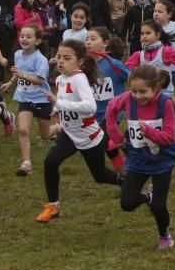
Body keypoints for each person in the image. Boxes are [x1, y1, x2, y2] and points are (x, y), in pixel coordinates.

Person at [34, 40, 123, 223]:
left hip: (88, 136)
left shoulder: (79, 79)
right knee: (51, 161)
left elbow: (89, 107)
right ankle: (54, 206)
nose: (60, 61)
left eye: (67, 58)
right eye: (59, 57)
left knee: (100, 176)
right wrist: (57, 111)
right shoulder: (60, 79)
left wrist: (59, 103)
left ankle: (128, 182)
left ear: (80, 61)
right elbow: (65, 99)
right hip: (68, 133)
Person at [105, 65, 175, 249]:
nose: (138, 96)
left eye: (143, 92)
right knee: (127, 203)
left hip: (162, 159)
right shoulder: (128, 99)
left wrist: (149, 132)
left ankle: (164, 235)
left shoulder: (166, 103)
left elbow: (170, 137)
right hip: (138, 158)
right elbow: (111, 109)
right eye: (134, 91)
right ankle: (148, 196)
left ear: (156, 89)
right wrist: (116, 137)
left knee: (159, 207)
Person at [124, 20, 175, 147]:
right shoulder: (138, 55)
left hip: (165, 92)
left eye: (148, 33)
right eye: (142, 34)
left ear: (158, 35)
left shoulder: (165, 52)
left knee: (168, 116)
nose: (144, 36)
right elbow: (124, 69)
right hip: (148, 93)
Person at [0, 25, 51, 176]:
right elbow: (18, 71)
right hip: (24, 97)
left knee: (45, 135)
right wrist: (10, 82)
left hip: (41, 99)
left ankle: (59, 128)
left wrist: (22, 75)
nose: (24, 39)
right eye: (22, 36)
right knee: (23, 129)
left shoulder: (41, 60)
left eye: (29, 37)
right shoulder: (17, 54)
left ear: (38, 40)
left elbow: (40, 81)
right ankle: (26, 163)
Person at [85, 27, 130, 171]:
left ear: (105, 43)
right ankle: (125, 174)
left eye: (93, 39)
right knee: (109, 148)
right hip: (95, 112)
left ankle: (131, 166)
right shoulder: (85, 65)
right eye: (86, 39)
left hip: (114, 111)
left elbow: (133, 79)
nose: (88, 43)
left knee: (106, 143)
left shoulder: (114, 64)